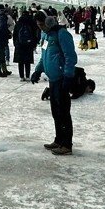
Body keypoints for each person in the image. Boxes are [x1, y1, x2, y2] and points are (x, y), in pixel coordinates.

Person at [30, 13, 77, 156]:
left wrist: (68, 75)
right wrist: (38, 71)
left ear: (49, 22)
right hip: (52, 79)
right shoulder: (45, 36)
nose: (41, 28)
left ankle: (66, 144)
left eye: (42, 25)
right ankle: (58, 139)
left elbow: (70, 56)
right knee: (56, 112)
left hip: (62, 78)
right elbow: (44, 56)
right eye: (38, 26)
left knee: (63, 112)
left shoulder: (62, 34)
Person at [13, 9, 38, 81]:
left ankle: (21, 76)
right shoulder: (31, 22)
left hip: (19, 44)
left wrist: (15, 43)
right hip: (29, 44)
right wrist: (34, 44)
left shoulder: (18, 22)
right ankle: (27, 75)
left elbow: (15, 34)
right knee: (27, 61)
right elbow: (34, 34)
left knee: (20, 61)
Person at [0, 6, 12, 78]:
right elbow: (3, 27)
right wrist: (8, 34)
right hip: (0, 39)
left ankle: (4, 70)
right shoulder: (2, 17)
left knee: (2, 55)